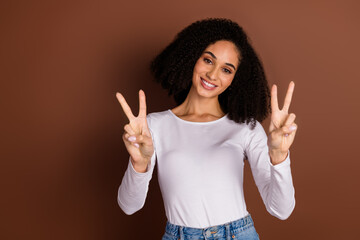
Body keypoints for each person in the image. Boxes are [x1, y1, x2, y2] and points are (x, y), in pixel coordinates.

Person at [116, 18, 298, 240]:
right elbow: (129, 206)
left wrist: (279, 156)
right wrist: (139, 164)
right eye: (208, 60)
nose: (213, 75)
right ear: (192, 57)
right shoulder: (153, 126)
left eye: (226, 70)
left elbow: (281, 209)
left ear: (235, 79)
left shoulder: (246, 128)